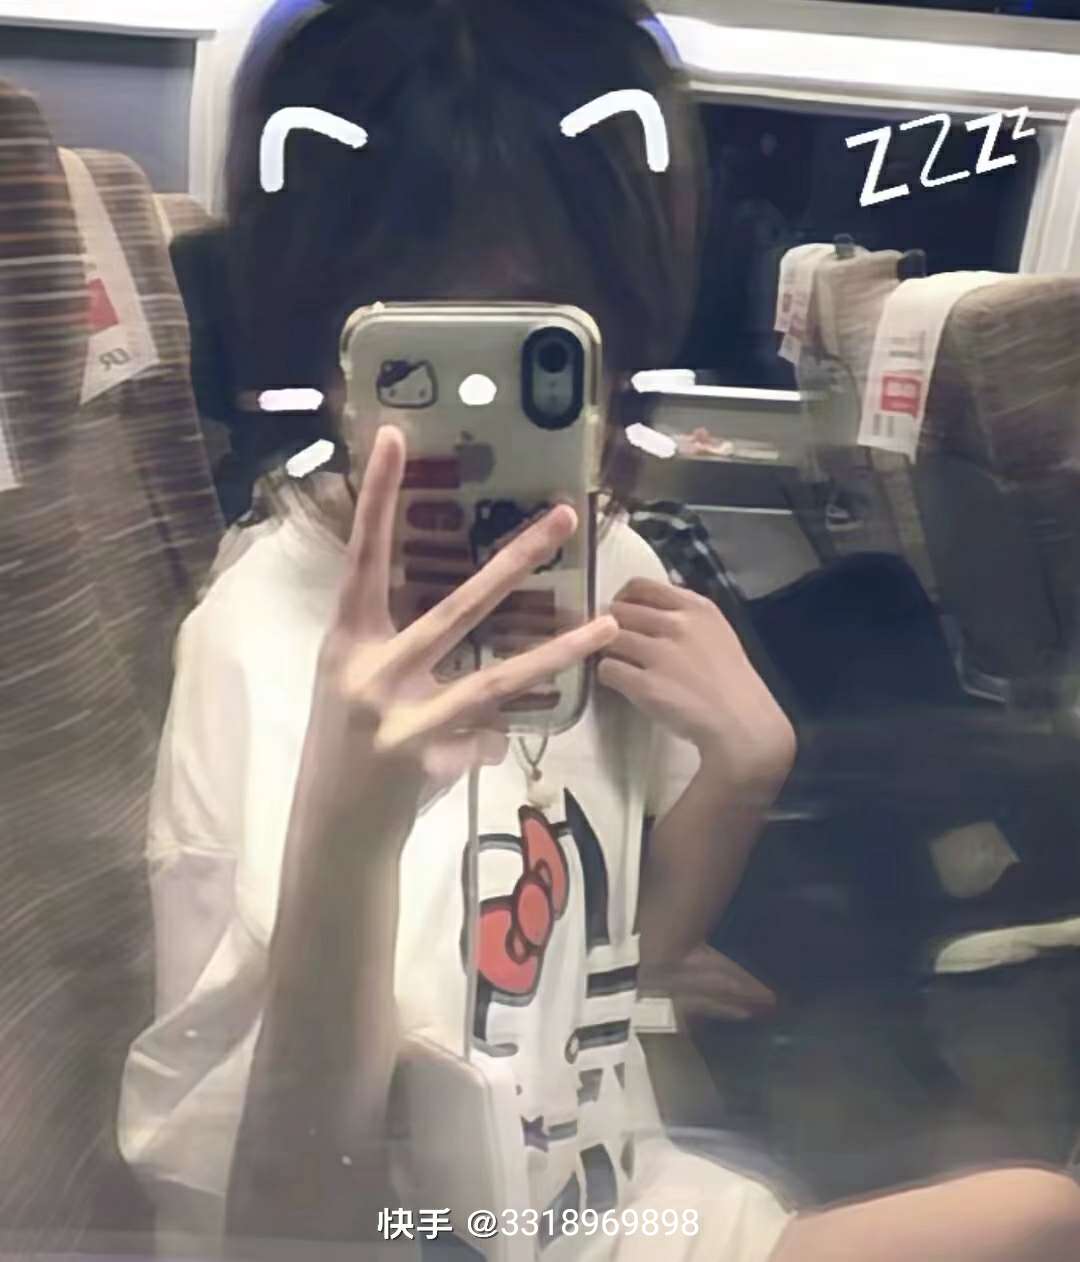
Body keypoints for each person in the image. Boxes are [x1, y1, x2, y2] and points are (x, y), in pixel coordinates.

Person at [118, 2, 1080, 1260]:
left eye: (546, 348)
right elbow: (282, 1229)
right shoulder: (250, 649)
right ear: (333, 345)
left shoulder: (605, 563)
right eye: (427, 350)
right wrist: (346, 836)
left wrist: (743, 773)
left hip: (610, 1191)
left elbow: (609, 975)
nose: (482, 415)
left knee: (1041, 1211)